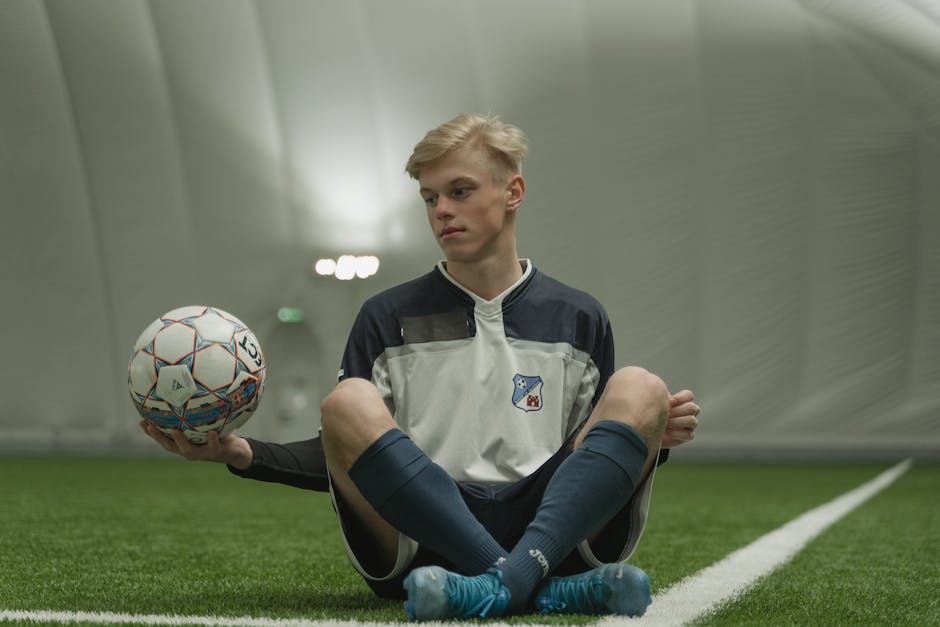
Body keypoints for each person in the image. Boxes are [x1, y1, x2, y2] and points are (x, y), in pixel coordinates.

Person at [141, 113, 700, 620]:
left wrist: (655, 433)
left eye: (460, 191)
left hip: (548, 535)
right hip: (423, 540)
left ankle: (506, 583)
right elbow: (347, 451)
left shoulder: (578, 316)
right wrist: (243, 453)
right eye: (430, 198)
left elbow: (593, 465)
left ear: (513, 193)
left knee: (641, 386)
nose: (442, 211)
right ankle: (532, 587)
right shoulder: (386, 316)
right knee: (346, 402)